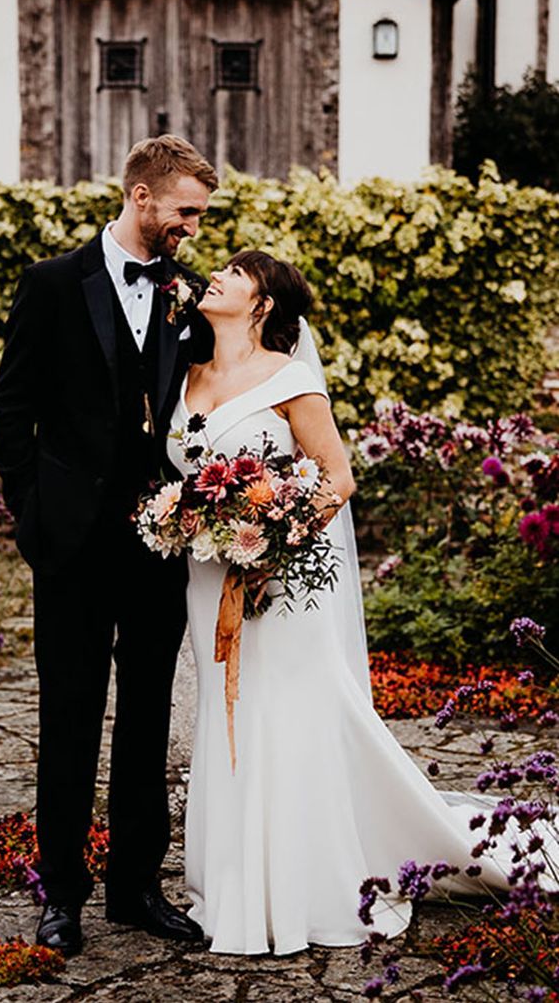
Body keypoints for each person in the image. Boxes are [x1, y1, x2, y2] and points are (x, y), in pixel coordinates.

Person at [166, 251, 519, 956]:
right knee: (227, 718)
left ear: (262, 303)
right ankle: (235, 886)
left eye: (236, 273)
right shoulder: (186, 372)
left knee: (289, 716)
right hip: (209, 580)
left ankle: (306, 885)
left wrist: (275, 544)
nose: (219, 276)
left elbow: (337, 477)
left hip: (284, 582)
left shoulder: (291, 378)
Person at [0, 135, 218, 956]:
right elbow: (10, 416)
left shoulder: (188, 294)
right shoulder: (51, 284)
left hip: (157, 543)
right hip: (71, 546)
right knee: (70, 717)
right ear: (142, 196)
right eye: (186, 211)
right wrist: (32, 517)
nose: (193, 226)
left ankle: (135, 888)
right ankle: (61, 896)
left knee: (149, 718)